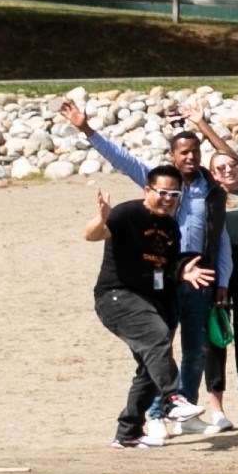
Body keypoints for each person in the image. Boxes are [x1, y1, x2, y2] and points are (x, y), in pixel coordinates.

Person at [81, 159, 206, 449]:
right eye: (162, 193)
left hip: (152, 300)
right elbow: (91, 235)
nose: (167, 200)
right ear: (148, 190)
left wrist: (183, 270)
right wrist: (102, 218)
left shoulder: (171, 228)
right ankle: (173, 400)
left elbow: (169, 264)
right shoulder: (127, 214)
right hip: (116, 296)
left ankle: (127, 434)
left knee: (149, 368)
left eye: (174, 195)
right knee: (156, 338)